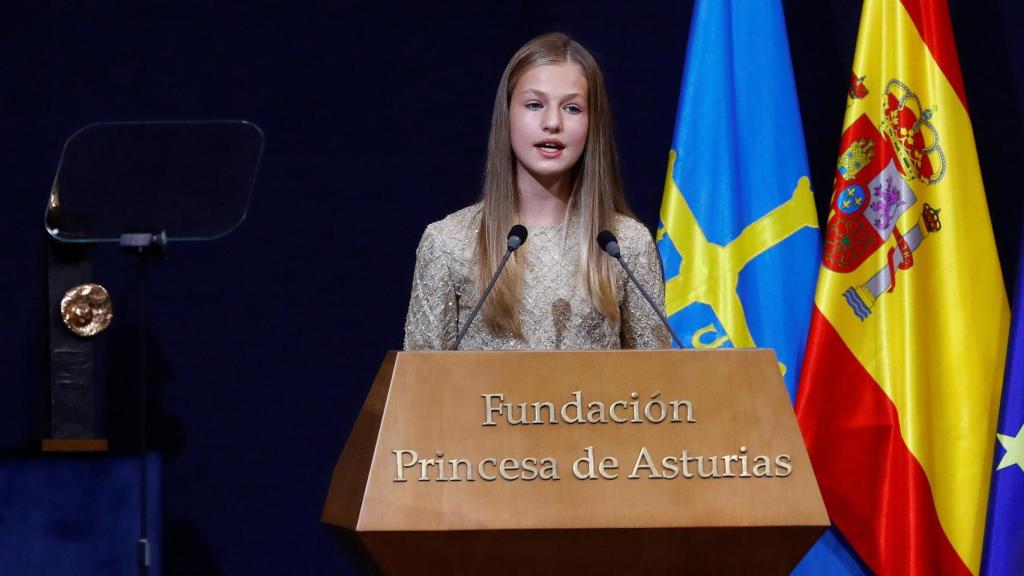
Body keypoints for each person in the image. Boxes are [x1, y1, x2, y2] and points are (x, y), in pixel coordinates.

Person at [403, 33, 670, 351]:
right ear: (507, 115)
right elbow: (419, 378)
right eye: (534, 105)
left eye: (572, 108)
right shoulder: (448, 243)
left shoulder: (626, 245)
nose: (553, 122)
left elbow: (657, 378)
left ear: (592, 124)